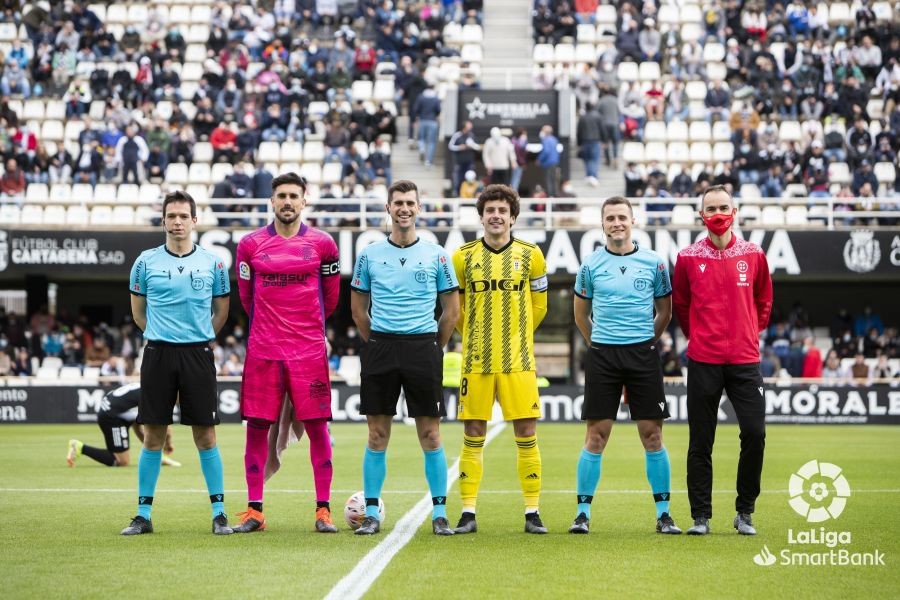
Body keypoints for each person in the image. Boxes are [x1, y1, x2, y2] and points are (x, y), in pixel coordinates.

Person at [350, 180, 461, 536]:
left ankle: (440, 514)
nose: (404, 208)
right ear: (388, 208)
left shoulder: (437, 254)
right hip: (381, 347)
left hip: (422, 348)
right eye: (397, 202)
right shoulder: (369, 254)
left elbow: (451, 311)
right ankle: (371, 513)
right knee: (377, 434)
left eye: (410, 202)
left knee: (430, 434)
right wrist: (376, 343)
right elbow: (358, 310)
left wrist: (432, 346)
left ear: (418, 207)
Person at [232, 172, 341, 534]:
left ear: (304, 200)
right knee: (257, 428)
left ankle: (323, 510)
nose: (288, 202)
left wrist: (307, 330)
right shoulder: (250, 245)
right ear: (272, 201)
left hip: (308, 353)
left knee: (317, 428)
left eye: (294, 195)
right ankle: (255, 510)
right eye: (281, 196)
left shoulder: (324, 244)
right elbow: (247, 299)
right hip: (264, 350)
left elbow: (332, 298)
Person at [122, 190, 233, 536]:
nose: (178, 222)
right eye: (172, 216)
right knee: (153, 435)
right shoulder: (145, 262)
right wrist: (162, 335)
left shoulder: (213, 263)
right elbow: (138, 313)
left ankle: (219, 513)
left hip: (197, 354)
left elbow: (221, 313)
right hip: (157, 353)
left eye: (184, 216)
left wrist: (197, 338)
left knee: (206, 435)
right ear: (164, 220)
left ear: (194, 220)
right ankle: (143, 515)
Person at [569, 196, 681, 535]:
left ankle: (663, 514)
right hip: (603, 356)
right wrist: (597, 342)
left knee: (652, 435)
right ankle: (582, 514)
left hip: (642, 356)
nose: (616, 223)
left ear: (633, 221)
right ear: (602, 224)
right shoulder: (590, 264)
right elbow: (580, 314)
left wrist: (648, 340)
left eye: (622, 217)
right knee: (596, 436)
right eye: (610, 218)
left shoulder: (654, 263)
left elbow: (665, 311)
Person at [672, 185, 773, 536]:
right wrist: (697, 336)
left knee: (755, 433)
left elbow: (764, 300)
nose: (717, 213)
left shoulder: (754, 254)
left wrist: (750, 332)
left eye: (723, 207)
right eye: (710, 208)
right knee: (701, 441)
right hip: (704, 359)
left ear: (735, 211)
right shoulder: (686, 257)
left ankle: (745, 511)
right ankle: (700, 516)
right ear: (701, 215)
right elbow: (681, 306)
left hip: (745, 361)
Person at [451, 184, 549, 534]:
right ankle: (467, 512)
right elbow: (456, 310)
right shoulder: (462, 256)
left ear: (512, 217)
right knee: (472, 433)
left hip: (518, 361)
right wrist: (475, 335)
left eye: (502, 211)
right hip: (476, 361)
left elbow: (540, 306)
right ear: (481, 216)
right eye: (489, 210)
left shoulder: (531, 254)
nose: (496, 216)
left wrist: (516, 334)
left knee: (526, 432)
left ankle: (532, 512)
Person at [66, 382, 181, 468]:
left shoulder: (153, 387)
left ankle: (156, 457)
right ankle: (80, 447)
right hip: (112, 416)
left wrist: (155, 453)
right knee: (122, 461)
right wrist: (169, 444)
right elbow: (166, 430)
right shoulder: (160, 397)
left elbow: (138, 427)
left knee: (138, 430)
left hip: (113, 411)